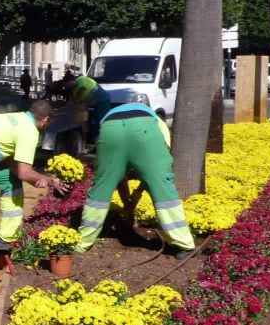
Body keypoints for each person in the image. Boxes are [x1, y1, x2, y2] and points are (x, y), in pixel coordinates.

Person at [0, 100, 69, 288]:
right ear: (46, 120)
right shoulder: (29, 131)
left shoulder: (16, 118)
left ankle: (5, 238)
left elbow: (11, 163)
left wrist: (37, 178)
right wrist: (50, 180)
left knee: (11, 183)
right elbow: (25, 172)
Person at [76, 102, 195, 259]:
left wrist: (129, 205)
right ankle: (184, 245)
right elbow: (154, 173)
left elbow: (118, 177)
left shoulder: (116, 113)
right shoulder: (158, 123)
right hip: (144, 129)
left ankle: (82, 243)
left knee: (102, 187)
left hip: (110, 128)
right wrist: (134, 198)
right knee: (162, 185)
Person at [63, 74, 112, 142]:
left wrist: (74, 103)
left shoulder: (81, 79)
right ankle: (96, 139)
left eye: (67, 84)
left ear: (71, 81)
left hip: (102, 100)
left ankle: (105, 139)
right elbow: (76, 101)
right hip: (94, 103)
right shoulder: (74, 90)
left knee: (102, 121)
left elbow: (81, 92)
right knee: (94, 121)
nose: (67, 87)